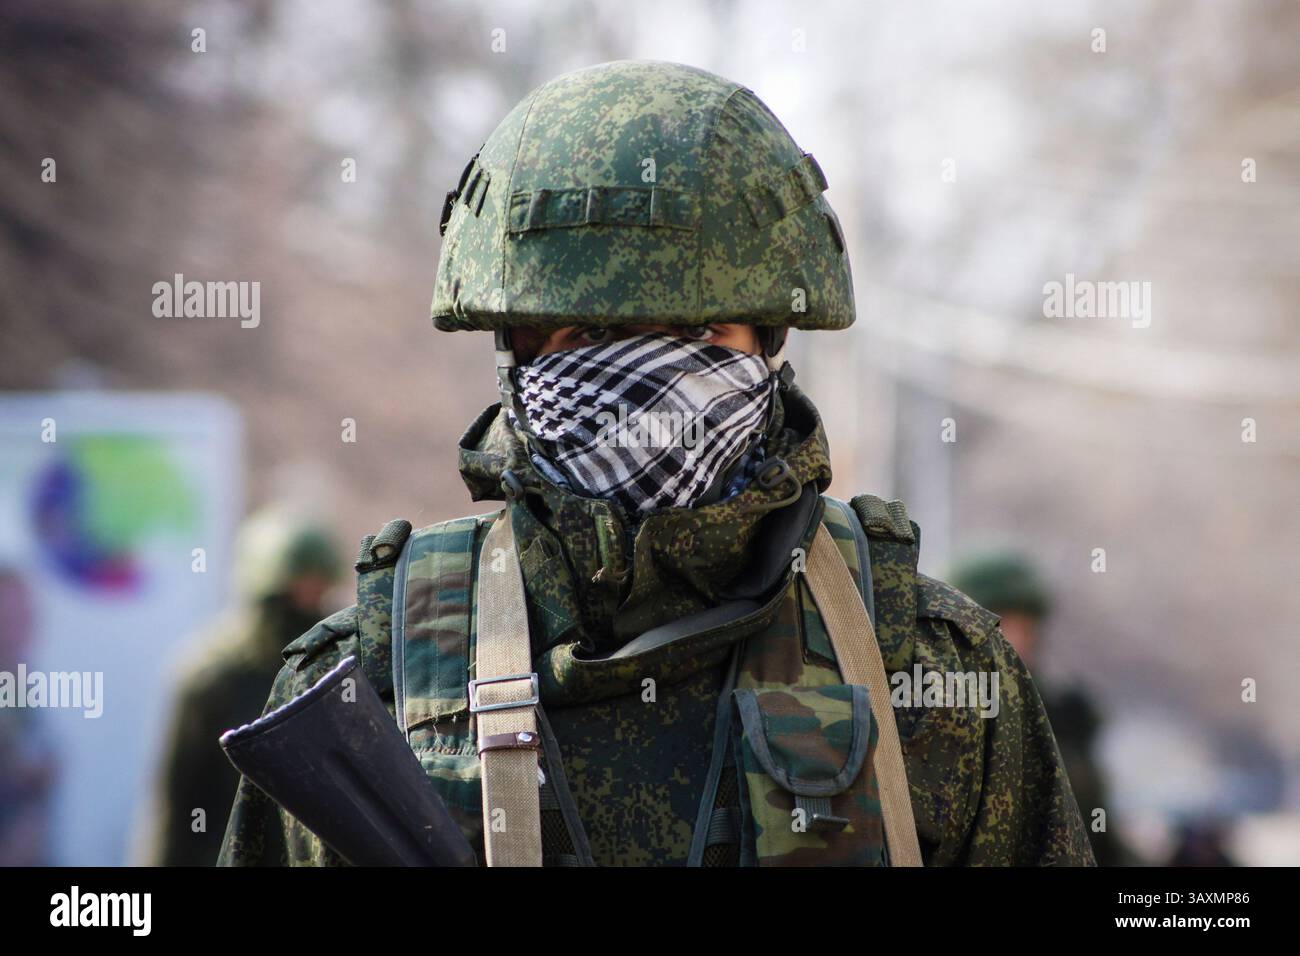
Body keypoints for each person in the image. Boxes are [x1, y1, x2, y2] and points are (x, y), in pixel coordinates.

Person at [218, 60, 1093, 867]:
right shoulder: (370, 685)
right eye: (590, 335)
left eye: (697, 335)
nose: (647, 382)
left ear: (768, 341)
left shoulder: (930, 675)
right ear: (519, 355)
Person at [140, 509, 340, 866]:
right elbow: (176, 805)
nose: (310, 601)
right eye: (299, 589)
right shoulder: (210, 676)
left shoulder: (333, 666)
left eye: (318, 589)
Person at [948, 548, 1132, 865]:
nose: (1017, 641)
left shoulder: (1064, 716)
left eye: (1025, 627)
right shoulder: (941, 714)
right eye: (1002, 626)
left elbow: (1097, 836)